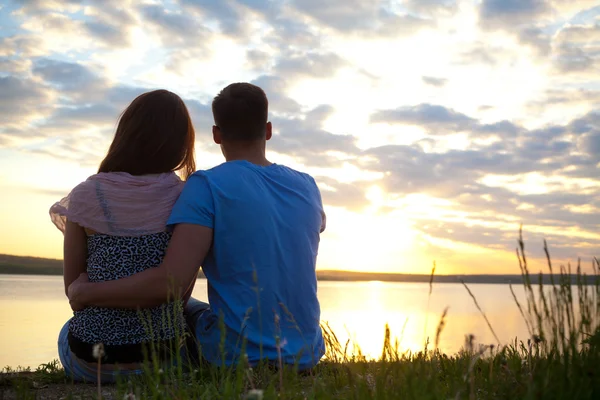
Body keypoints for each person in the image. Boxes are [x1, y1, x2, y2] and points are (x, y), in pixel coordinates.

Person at [68, 82, 327, 371]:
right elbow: (317, 225)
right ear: (268, 130)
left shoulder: (206, 185)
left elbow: (172, 283)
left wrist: (85, 292)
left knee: (188, 307)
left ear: (216, 135)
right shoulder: (308, 186)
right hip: (307, 351)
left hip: (234, 354)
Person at [50, 89, 197, 383]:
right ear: (182, 144)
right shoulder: (188, 198)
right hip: (163, 360)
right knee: (195, 312)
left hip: (89, 362)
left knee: (69, 328)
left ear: (126, 134)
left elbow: (74, 292)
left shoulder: (86, 195)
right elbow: (180, 297)